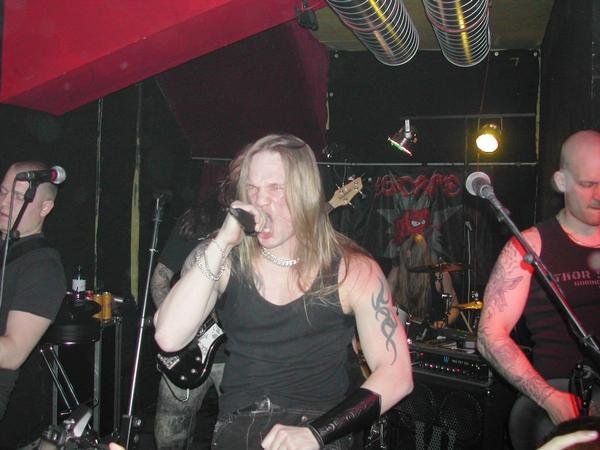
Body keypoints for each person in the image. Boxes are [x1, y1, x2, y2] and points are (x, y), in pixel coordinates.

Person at [154, 134, 413, 450]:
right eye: (252, 188)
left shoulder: (353, 270)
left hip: (320, 430)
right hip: (241, 428)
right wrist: (222, 241)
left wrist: (316, 434)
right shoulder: (226, 260)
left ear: (305, 192)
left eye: (275, 188)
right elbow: (168, 338)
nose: (260, 201)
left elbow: (397, 375)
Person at [477, 130, 600, 431]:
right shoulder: (530, 246)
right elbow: (490, 335)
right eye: (588, 184)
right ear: (562, 181)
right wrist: (547, 397)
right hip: (560, 398)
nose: (599, 195)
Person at [0, 161, 66, 447]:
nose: (4, 202)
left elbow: (13, 352)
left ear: (45, 208)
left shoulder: (43, 268)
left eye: (18, 196)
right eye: (3, 192)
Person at [152, 198, 227, 450]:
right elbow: (160, 278)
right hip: (188, 351)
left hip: (238, 355)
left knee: (237, 434)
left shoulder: (264, 227)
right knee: (168, 435)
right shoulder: (198, 219)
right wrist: (178, 324)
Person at [387, 233, 459, 331]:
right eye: (405, 254)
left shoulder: (439, 275)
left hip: (432, 333)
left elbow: (455, 307)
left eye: (412, 254)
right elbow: (384, 303)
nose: (408, 256)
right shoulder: (396, 273)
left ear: (421, 255)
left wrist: (444, 322)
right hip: (404, 331)